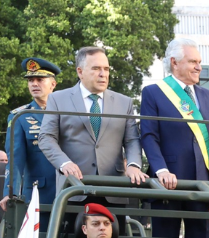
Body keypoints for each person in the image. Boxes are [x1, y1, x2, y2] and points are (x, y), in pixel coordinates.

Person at [140, 38, 209, 238]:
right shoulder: (153, 92)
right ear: (175, 62)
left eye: (199, 62)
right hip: (167, 183)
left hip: (203, 183)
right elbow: (149, 136)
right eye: (192, 62)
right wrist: (161, 169)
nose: (199, 67)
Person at [38, 47, 147, 198]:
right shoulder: (58, 99)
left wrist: (133, 165)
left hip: (114, 189)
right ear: (80, 72)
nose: (103, 74)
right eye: (96, 68)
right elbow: (46, 137)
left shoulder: (124, 102)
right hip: (73, 188)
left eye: (106, 69)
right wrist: (64, 164)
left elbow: (132, 140)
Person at [2, 58, 61, 213]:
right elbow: (15, 159)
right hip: (38, 194)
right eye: (31, 80)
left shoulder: (68, 112)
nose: (34, 84)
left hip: (71, 190)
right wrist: (11, 193)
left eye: (40, 80)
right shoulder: (19, 116)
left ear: (53, 84)